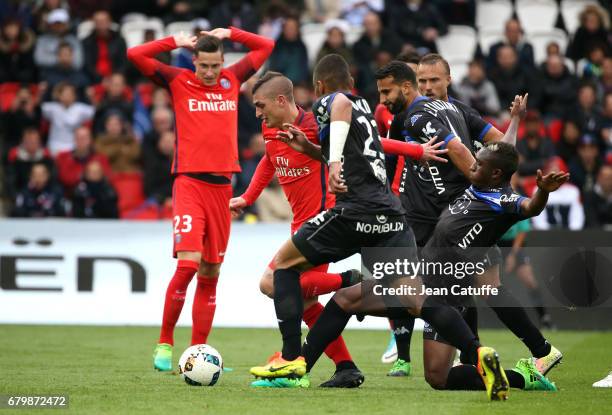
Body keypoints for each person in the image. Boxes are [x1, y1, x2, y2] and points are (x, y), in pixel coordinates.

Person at [249, 55, 507, 401]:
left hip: (355, 212)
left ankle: (292, 360)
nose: (257, 113)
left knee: (283, 267)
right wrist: (311, 149)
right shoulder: (364, 113)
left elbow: (337, 106)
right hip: (391, 216)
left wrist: (335, 161)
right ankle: (477, 354)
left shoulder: (330, 100)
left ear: (320, 86)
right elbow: (358, 149)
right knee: (416, 299)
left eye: (259, 105)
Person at [293, 142, 564, 397]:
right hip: (421, 277)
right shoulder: (477, 185)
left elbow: (530, 208)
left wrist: (542, 191)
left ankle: (523, 377)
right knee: (345, 299)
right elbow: (505, 153)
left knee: (438, 377)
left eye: (478, 164)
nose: (471, 166)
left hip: (447, 291)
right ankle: (297, 367)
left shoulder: (502, 200)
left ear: (495, 174)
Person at [232, 71, 446, 387]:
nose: (258, 114)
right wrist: (248, 197)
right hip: (299, 221)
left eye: (261, 105)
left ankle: (297, 356)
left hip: (322, 217)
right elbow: (270, 159)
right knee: (302, 300)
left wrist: (416, 150)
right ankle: (344, 366)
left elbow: (373, 139)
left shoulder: (313, 125)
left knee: (271, 282)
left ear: (280, 100)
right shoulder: (271, 127)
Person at [382, 57, 563, 378]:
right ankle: (502, 354)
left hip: (456, 217)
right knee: (470, 288)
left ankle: (481, 354)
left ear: (449, 80)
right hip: (428, 216)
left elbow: (501, 153)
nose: (427, 87)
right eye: (422, 81)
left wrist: (510, 131)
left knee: (473, 288)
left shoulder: (461, 112)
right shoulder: (414, 115)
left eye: (434, 80)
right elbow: (394, 153)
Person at [127, 25, 274, 372]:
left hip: (223, 188)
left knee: (211, 272)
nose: (209, 72)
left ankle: (196, 353)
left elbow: (266, 45)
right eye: (203, 65)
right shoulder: (178, 80)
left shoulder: (232, 80)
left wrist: (231, 32)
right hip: (190, 183)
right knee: (188, 264)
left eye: (215, 65)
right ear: (193, 61)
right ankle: (164, 343)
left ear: (223, 62)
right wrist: (173, 42)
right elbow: (135, 55)